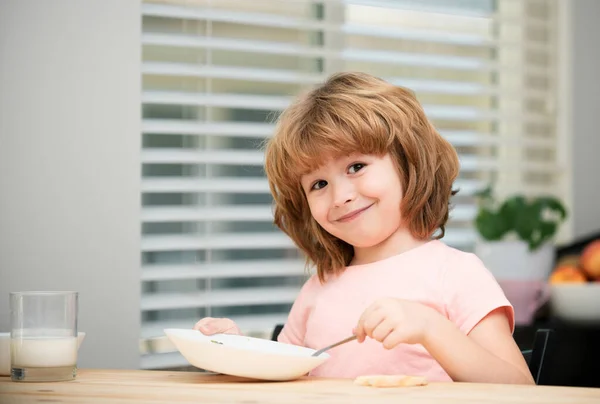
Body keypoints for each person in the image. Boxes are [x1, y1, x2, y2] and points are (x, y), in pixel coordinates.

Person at [194, 72, 534, 384]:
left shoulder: (456, 274)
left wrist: (433, 328)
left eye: (356, 166)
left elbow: (521, 388)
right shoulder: (319, 287)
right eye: (318, 184)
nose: (340, 196)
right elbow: (285, 377)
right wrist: (235, 352)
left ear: (408, 161)